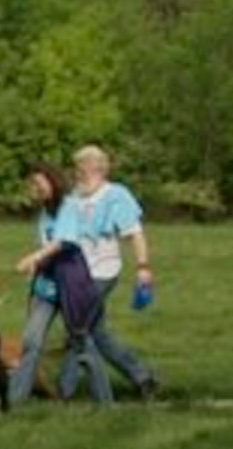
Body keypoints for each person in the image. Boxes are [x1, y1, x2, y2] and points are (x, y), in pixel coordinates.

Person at [57, 145, 158, 399]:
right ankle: (142, 377)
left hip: (102, 271)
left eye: (82, 166)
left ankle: (64, 391)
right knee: (97, 333)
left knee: (77, 329)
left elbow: (135, 233)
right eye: (76, 166)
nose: (77, 171)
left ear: (97, 167)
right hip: (75, 274)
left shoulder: (116, 195)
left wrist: (143, 266)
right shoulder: (74, 197)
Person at [7, 162, 112, 406]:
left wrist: (33, 258)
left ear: (52, 181)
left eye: (38, 182)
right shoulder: (44, 213)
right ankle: (14, 400)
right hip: (46, 286)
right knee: (31, 342)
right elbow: (45, 245)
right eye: (32, 184)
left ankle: (105, 402)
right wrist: (36, 265)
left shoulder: (70, 205)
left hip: (71, 283)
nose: (34, 188)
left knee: (82, 343)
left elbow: (62, 242)